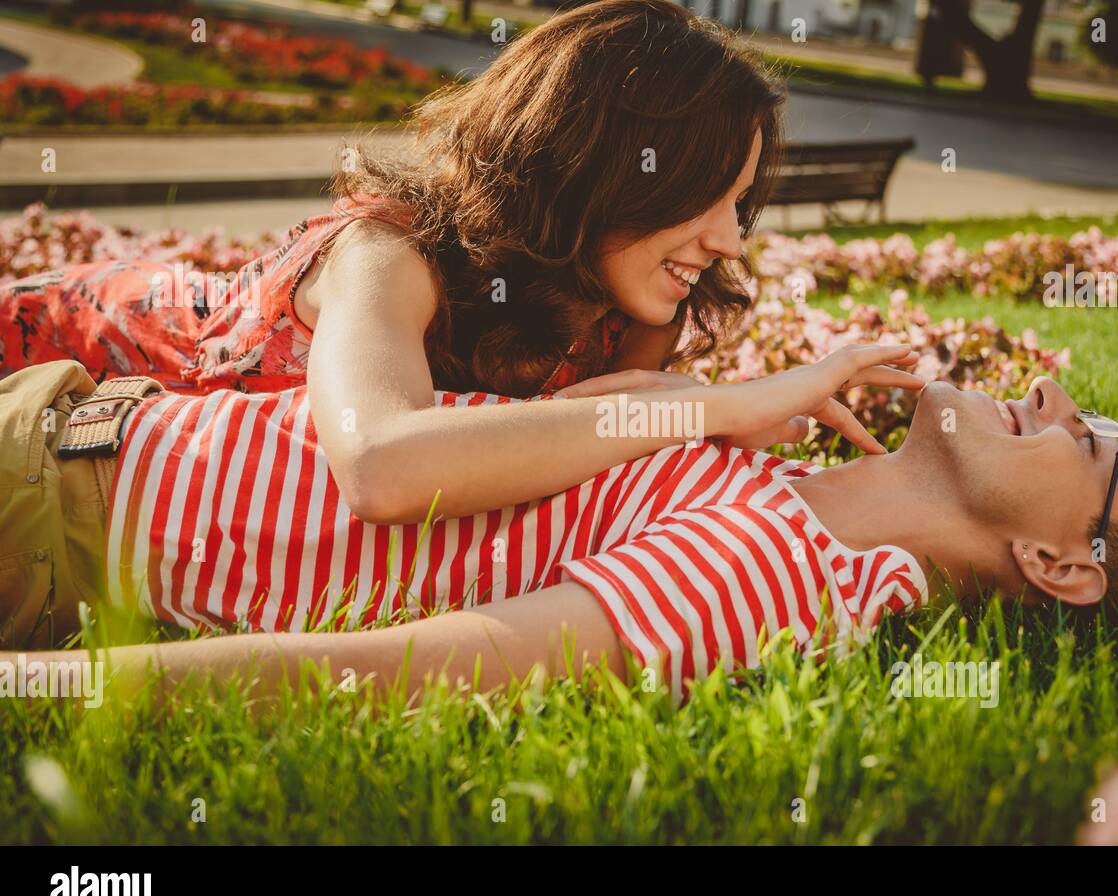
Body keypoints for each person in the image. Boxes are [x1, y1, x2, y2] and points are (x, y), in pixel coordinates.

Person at [0, 0, 818, 526]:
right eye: (702, 197)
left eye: (738, 204)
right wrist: (695, 410)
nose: (730, 241)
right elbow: (383, 470)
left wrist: (684, 407)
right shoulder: (392, 254)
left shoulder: (637, 311)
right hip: (60, 346)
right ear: (598, 168)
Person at [0, 355, 1118, 704]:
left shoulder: (780, 576)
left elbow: (422, 669)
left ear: (1062, 568)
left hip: (55, 517)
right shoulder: (774, 479)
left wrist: (32, 692)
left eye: (1089, 443)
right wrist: (721, 402)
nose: (1052, 397)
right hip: (78, 421)